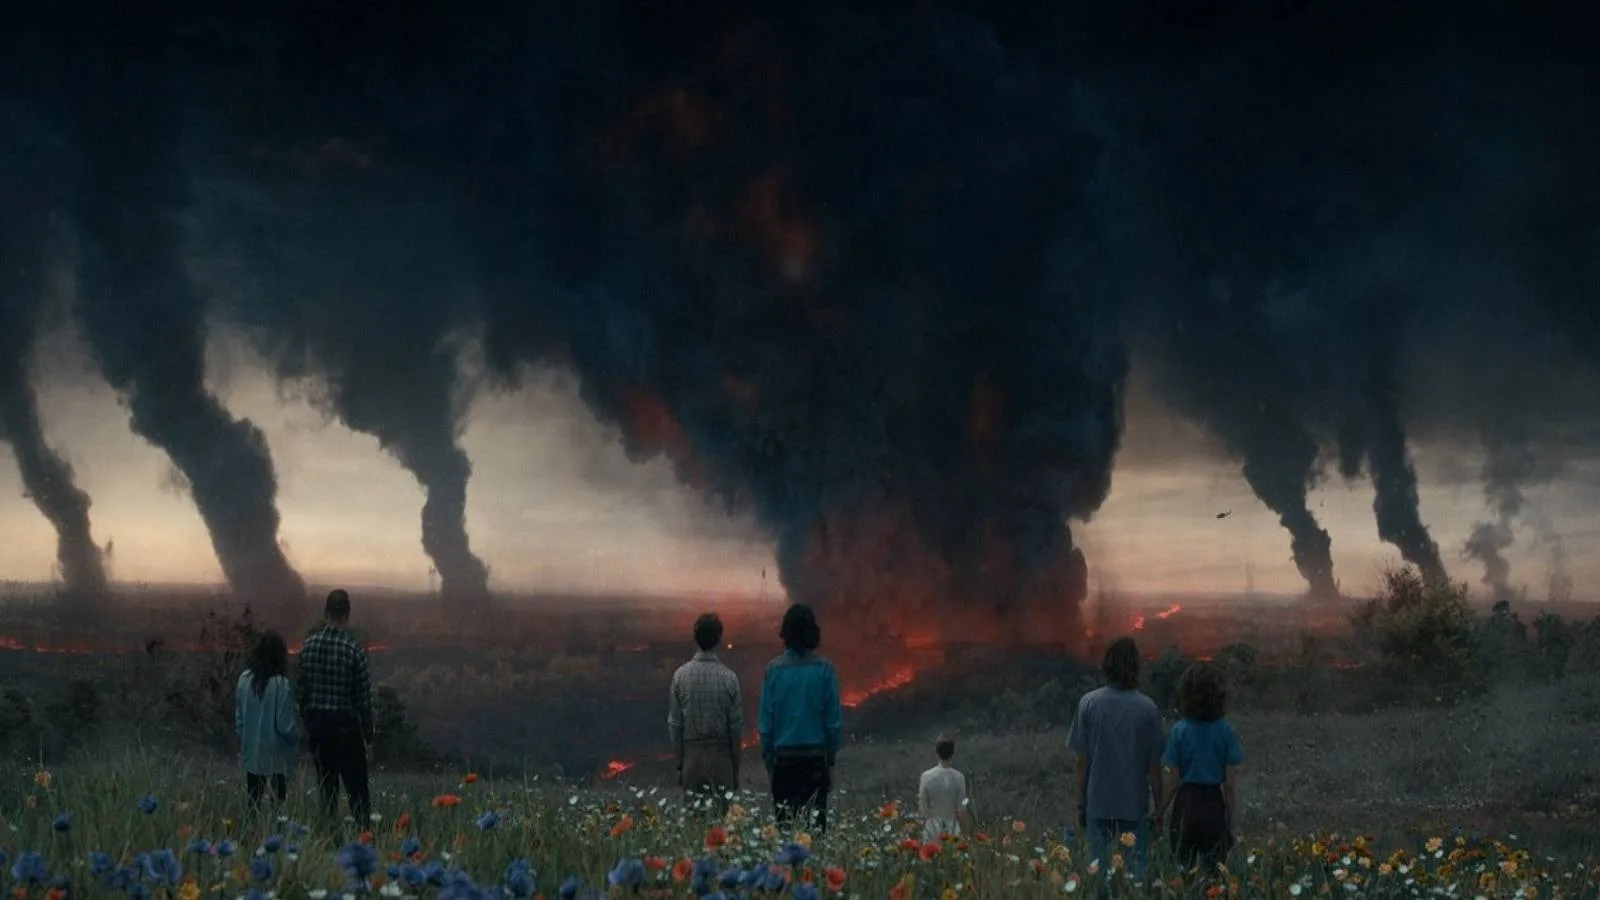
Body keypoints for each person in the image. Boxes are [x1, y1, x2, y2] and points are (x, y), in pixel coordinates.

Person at [1066, 636, 1165, 876]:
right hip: (1133, 806)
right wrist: (1160, 810)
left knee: (1099, 874)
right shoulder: (1148, 709)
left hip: (1098, 804)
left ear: (1107, 666)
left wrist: (1081, 803)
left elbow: (1081, 762)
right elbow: (1154, 768)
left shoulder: (1088, 704)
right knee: (1134, 876)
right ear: (1135, 668)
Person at [758, 603, 843, 833]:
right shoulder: (824, 670)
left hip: (784, 763)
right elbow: (833, 724)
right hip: (815, 762)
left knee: (785, 837)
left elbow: (765, 725)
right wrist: (830, 763)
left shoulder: (774, 671)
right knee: (816, 834)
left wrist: (770, 765)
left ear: (785, 632)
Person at [296, 589, 374, 823]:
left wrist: (308, 723)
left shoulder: (307, 647)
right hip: (346, 729)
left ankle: (329, 836)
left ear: (325, 612)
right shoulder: (354, 651)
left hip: (319, 728)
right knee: (357, 790)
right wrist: (368, 739)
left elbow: (301, 693)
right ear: (347, 614)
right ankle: (363, 837)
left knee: (326, 788)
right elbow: (363, 700)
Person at [1160, 662, 1244, 870]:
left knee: (1182, 872)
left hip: (1186, 804)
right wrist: (1232, 824)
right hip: (1213, 804)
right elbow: (1231, 787)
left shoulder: (1179, 731)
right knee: (1215, 874)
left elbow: (1172, 782)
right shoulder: (1226, 732)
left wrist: (1158, 812)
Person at [668, 613, 745, 812]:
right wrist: (734, 769)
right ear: (718, 638)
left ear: (696, 638)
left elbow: (675, 726)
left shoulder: (680, 676)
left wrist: (680, 765)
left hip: (692, 759)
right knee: (721, 826)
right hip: (721, 760)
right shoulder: (729, 678)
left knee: (694, 827)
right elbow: (736, 729)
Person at [236, 630, 299, 811]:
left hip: (252, 751)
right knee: (278, 805)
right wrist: (297, 738)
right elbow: (284, 725)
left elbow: (239, 719)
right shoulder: (281, 684)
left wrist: (246, 737)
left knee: (253, 800)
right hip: (276, 755)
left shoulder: (244, 679)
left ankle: (252, 834)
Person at [917, 735, 970, 842]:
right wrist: (966, 834)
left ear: (936, 752)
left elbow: (923, 810)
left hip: (931, 830)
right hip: (952, 831)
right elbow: (961, 811)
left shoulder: (926, 776)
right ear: (952, 753)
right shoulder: (959, 777)